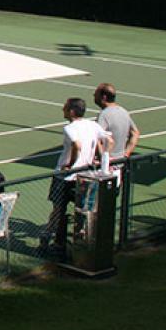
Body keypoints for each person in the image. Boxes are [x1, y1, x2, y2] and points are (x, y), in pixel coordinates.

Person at [42, 97, 109, 253]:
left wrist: (71, 165)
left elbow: (76, 145)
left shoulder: (70, 128)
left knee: (58, 208)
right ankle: (82, 238)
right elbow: (108, 140)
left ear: (71, 111)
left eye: (65, 107)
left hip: (65, 177)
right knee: (83, 208)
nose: (62, 110)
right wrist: (102, 157)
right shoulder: (92, 125)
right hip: (85, 174)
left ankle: (48, 237)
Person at [94, 83, 140, 168]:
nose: (94, 96)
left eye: (96, 94)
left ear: (103, 97)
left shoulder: (104, 115)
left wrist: (103, 160)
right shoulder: (124, 111)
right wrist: (126, 154)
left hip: (108, 164)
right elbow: (135, 133)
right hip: (120, 162)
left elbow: (97, 139)